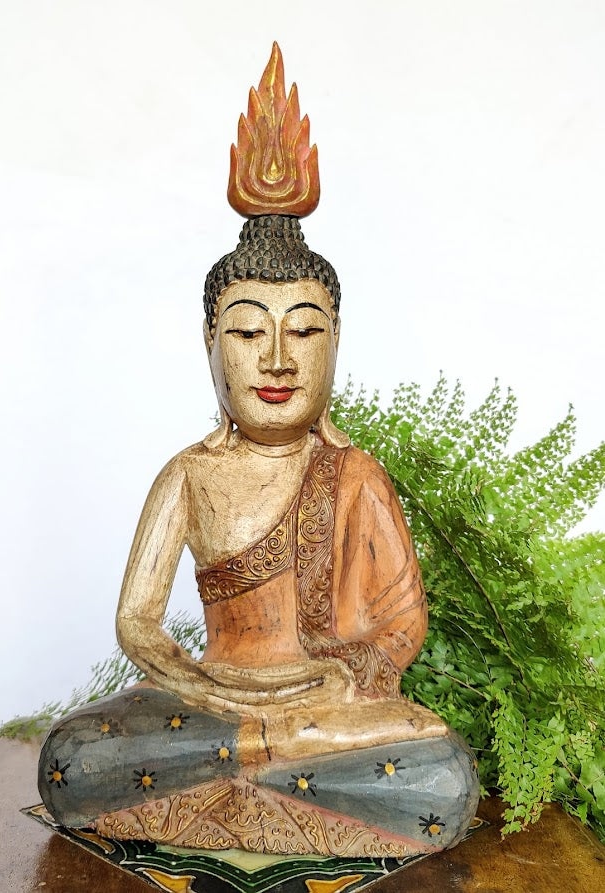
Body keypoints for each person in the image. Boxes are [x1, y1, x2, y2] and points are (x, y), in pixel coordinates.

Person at [38, 46, 479, 859]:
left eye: (304, 331)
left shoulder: (355, 474)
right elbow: (136, 619)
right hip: (209, 703)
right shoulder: (190, 474)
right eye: (247, 331)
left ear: (336, 341)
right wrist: (197, 682)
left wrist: (341, 678)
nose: (277, 359)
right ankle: (268, 767)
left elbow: (402, 620)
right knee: (73, 760)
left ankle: (250, 768)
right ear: (209, 341)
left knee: (442, 771)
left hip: (328, 707)